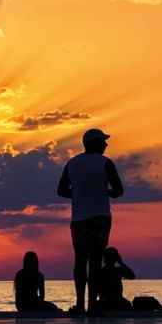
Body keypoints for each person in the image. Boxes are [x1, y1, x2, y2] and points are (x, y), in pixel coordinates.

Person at [56, 127, 125, 313]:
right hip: (100, 217)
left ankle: (79, 304)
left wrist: (79, 195)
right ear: (95, 143)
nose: (106, 144)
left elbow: (61, 190)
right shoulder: (106, 163)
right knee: (95, 261)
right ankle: (92, 305)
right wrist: (104, 192)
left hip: (79, 218)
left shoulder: (72, 163)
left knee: (80, 260)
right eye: (103, 141)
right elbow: (119, 190)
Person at [89, 247, 136, 312]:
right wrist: (121, 263)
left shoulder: (116, 271)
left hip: (114, 302)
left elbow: (132, 276)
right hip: (108, 302)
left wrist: (121, 263)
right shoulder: (103, 272)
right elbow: (132, 276)